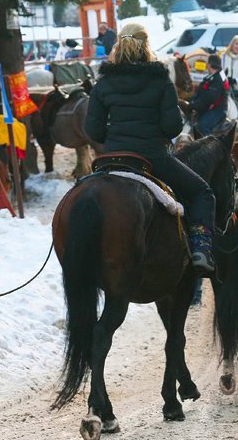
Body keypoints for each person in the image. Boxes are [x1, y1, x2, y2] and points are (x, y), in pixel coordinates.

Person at [85, 22, 217, 274]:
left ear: (118, 44)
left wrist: (114, 137)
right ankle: (201, 248)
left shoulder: (103, 83)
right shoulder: (160, 81)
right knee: (202, 192)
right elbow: (172, 127)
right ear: (146, 45)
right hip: (152, 156)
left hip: (112, 157)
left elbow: (93, 131)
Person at [190, 54, 229, 135]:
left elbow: (209, 98)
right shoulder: (210, 77)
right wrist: (192, 102)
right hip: (207, 108)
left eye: (208, 63)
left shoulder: (218, 79)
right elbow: (200, 92)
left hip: (218, 110)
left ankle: (209, 145)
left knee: (202, 126)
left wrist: (194, 106)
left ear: (210, 64)